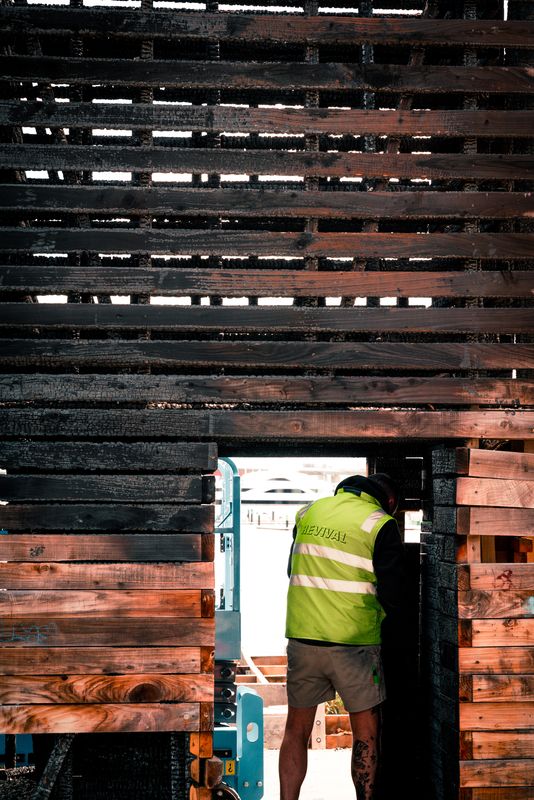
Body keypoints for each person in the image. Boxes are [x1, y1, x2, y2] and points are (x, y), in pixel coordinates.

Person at [279, 473, 406, 800]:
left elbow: (291, 569)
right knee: (366, 733)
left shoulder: (311, 512)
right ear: (389, 501)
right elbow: (394, 595)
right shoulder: (380, 524)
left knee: (296, 730)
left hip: (303, 638)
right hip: (355, 644)